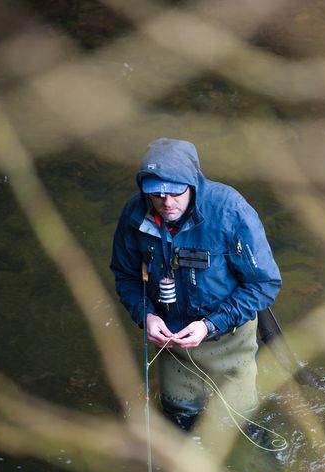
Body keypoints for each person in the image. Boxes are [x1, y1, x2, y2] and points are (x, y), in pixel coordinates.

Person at [110, 137, 282, 430]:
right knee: (178, 416)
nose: (167, 201)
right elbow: (126, 275)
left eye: (176, 190)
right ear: (144, 190)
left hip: (229, 337)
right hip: (171, 341)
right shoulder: (134, 215)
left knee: (238, 421)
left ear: (192, 184)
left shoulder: (230, 211)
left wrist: (209, 325)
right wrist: (146, 315)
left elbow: (264, 284)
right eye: (156, 192)